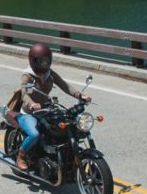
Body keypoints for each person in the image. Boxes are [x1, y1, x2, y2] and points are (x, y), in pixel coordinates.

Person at [8, 42, 90, 170]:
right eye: (41, 61)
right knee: (34, 134)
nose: (44, 64)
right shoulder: (27, 75)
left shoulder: (49, 73)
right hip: (29, 112)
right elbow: (24, 94)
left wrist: (80, 96)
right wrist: (32, 104)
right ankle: (21, 155)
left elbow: (64, 85)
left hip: (46, 109)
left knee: (66, 126)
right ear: (33, 61)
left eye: (46, 61)